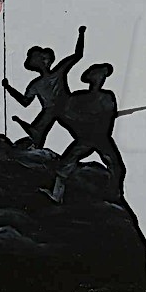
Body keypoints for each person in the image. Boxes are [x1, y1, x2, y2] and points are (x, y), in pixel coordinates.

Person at [40, 63, 126, 204]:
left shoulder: (107, 96)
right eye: (97, 75)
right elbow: (68, 114)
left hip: (101, 137)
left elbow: (107, 117)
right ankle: (56, 195)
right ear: (90, 78)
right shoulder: (78, 98)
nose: (100, 79)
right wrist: (82, 124)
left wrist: (88, 121)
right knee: (65, 164)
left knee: (116, 166)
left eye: (102, 76)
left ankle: (114, 195)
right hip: (85, 137)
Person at [2, 26, 86, 149]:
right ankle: (35, 143)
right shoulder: (35, 84)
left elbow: (77, 55)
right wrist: (8, 87)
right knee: (39, 129)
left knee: (78, 128)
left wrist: (81, 34)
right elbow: (25, 101)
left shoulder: (58, 72)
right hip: (50, 110)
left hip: (65, 105)